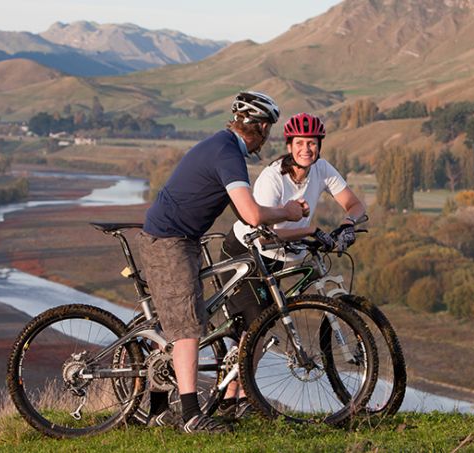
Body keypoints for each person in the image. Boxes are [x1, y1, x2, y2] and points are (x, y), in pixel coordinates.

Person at [138, 91, 309, 433]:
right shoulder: (228, 154)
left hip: (180, 238)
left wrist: (272, 225)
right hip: (171, 242)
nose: (269, 136)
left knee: (180, 319)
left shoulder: (223, 147)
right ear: (258, 127)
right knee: (187, 328)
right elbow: (250, 212)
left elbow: (247, 217)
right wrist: (288, 212)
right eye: (268, 128)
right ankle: (190, 416)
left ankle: (158, 408)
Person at [216, 112, 366, 418]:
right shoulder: (273, 178)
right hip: (247, 252)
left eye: (311, 143)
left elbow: (354, 203)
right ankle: (236, 398)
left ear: (319, 146)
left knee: (262, 323)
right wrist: (310, 230)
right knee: (257, 322)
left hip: (281, 257)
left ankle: (237, 398)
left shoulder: (322, 169)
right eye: (300, 143)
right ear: (289, 145)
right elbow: (265, 234)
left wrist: (349, 223)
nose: (306, 149)